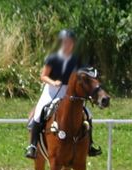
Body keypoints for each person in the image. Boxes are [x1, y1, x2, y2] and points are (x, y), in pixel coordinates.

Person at [25, 29, 102, 160]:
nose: (68, 44)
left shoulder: (76, 60)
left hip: (69, 91)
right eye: (66, 42)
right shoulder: (53, 58)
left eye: (70, 42)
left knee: (88, 113)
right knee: (38, 113)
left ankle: (90, 145)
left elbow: (83, 74)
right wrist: (53, 82)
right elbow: (43, 76)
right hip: (52, 90)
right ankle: (32, 146)